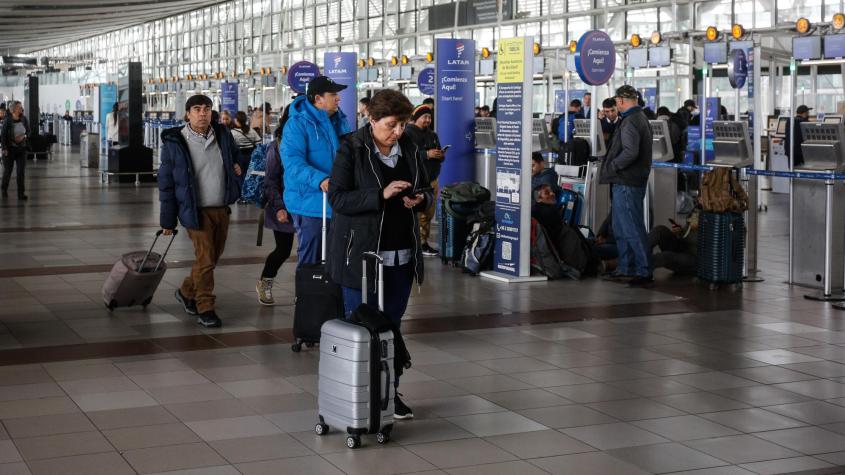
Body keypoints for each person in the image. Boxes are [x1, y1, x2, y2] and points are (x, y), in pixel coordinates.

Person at [327, 89, 432, 421]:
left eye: (402, 124)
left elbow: (427, 187)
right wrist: (380, 194)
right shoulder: (351, 148)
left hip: (400, 254)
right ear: (371, 120)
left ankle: (389, 391)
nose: (398, 132)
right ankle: (356, 396)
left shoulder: (411, 148)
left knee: (392, 328)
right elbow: (339, 200)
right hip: (362, 255)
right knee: (361, 325)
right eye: (391, 125)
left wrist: (422, 200)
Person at [158, 95, 243, 328]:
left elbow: (237, 158)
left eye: (207, 109)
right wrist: (167, 221)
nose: (203, 113)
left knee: (212, 259)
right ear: (188, 114)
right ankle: (205, 306)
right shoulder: (176, 143)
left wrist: (238, 168)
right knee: (205, 260)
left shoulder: (222, 135)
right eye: (197, 109)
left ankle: (187, 291)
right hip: (195, 211)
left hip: (221, 207)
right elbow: (166, 184)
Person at [281, 75, 349, 268]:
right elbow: (292, 162)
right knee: (311, 258)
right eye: (333, 94)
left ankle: (329, 298)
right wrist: (320, 179)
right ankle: (306, 298)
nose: (338, 98)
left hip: (336, 199)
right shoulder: (297, 124)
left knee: (335, 259)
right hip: (310, 200)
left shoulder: (338, 121)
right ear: (317, 98)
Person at [600, 85, 653, 286]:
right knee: (621, 227)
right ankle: (626, 267)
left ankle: (644, 270)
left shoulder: (631, 121)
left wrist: (613, 165)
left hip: (627, 181)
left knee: (631, 227)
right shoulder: (638, 118)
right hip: (626, 180)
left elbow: (631, 152)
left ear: (621, 101)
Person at [256, 125, 295, 306]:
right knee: (283, 249)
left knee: (311, 252)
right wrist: (279, 207)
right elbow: (270, 180)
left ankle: (305, 290)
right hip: (283, 205)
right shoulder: (276, 147)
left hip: (306, 204)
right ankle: (265, 283)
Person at [404, 104, 444, 257]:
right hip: (418, 181)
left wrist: (440, 155)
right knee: (420, 214)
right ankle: (418, 244)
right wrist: (426, 154)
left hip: (432, 180)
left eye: (429, 117)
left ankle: (423, 242)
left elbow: (437, 151)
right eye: (424, 117)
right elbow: (408, 155)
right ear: (416, 117)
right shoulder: (407, 133)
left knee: (428, 213)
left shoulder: (432, 135)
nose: (428, 120)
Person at [649, 209, 699, 275]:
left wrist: (699, 226)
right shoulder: (697, 210)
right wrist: (680, 231)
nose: (699, 199)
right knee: (659, 230)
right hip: (683, 247)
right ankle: (638, 256)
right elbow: (687, 234)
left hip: (693, 259)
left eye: (701, 198)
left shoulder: (713, 220)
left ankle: (639, 265)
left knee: (665, 256)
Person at [1, 101, 30, 200]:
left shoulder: (24, 119)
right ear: (13, 109)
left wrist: (24, 136)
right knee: (8, 171)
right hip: (10, 149)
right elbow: (3, 135)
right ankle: (4, 189)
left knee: (20, 172)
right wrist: (4, 148)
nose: (21, 108)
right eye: (19, 107)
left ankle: (21, 193)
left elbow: (29, 132)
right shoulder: (7, 120)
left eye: (21, 106)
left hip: (21, 149)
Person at [230, 111, 261, 179]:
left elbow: (231, 147)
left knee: (240, 176)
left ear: (236, 120)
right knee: (250, 176)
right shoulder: (251, 130)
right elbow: (259, 143)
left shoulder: (232, 132)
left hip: (239, 157)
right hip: (251, 156)